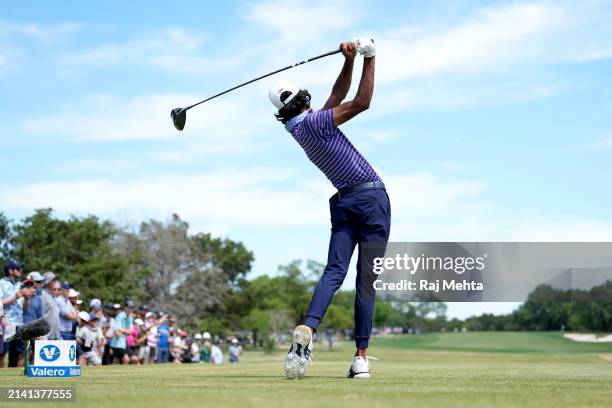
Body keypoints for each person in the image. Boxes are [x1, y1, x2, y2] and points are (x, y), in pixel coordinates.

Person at [271, 38, 389, 379]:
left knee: (333, 272)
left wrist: (348, 60)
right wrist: (370, 57)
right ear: (303, 99)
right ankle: (361, 358)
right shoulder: (317, 123)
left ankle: (309, 327)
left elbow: (337, 96)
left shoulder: (302, 128)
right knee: (366, 281)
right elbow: (362, 102)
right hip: (371, 199)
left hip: (343, 203)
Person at [1, 260, 28, 367]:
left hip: (19, 323)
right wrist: (15, 297)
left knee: (18, 353)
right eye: (18, 268)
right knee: (2, 353)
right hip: (7, 323)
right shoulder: (2, 283)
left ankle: (14, 377)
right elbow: (0, 303)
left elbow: (25, 308)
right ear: (10, 271)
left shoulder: (20, 284)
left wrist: (26, 299)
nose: (21, 270)